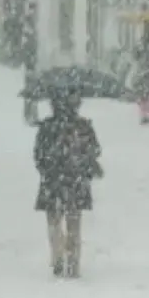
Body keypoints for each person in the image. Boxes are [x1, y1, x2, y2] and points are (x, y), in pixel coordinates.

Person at [33, 90, 102, 278]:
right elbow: (95, 150)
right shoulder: (83, 126)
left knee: (54, 221)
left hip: (52, 181)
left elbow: (38, 155)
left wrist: (47, 170)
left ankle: (57, 257)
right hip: (75, 181)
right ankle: (73, 261)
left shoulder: (47, 126)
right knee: (74, 222)